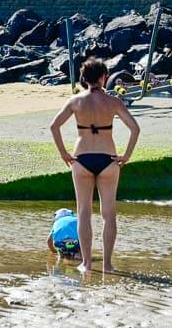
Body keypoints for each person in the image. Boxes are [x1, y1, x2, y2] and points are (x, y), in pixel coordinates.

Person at [48, 57, 140, 273]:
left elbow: (54, 126)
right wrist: (126, 155)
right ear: (103, 77)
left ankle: (87, 264)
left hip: (82, 159)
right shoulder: (114, 102)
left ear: (85, 78)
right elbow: (135, 129)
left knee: (84, 212)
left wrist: (63, 153)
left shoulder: (75, 101)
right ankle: (107, 264)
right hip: (108, 159)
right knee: (109, 214)